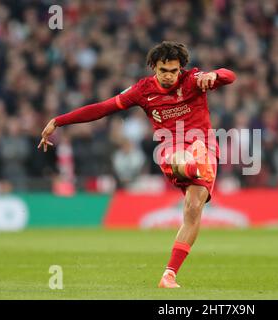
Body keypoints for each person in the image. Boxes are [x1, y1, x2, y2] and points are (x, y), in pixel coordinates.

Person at [38, 41, 236, 288]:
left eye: (173, 71)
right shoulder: (143, 91)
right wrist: (59, 121)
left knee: (194, 208)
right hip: (170, 147)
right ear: (154, 67)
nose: (168, 76)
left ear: (180, 69)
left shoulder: (194, 80)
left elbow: (230, 76)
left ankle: (169, 275)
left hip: (204, 145)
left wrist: (214, 74)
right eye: (163, 70)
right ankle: (193, 165)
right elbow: (102, 109)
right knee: (179, 160)